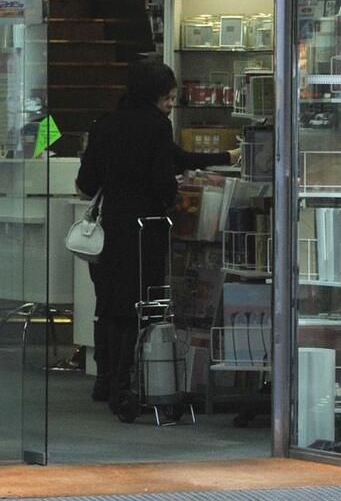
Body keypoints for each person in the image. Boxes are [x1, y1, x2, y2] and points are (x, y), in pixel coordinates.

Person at [76, 58, 234, 420]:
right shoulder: (157, 127)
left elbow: (86, 183)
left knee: (108, 304)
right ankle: (130, 386)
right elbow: (163, 181)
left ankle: (106, 380)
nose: (170, 104)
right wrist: (169, 197)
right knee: (140, 305)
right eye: (168, 97)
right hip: (143, 230)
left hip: (108, 230)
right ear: (155, 94)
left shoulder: (104, 124)